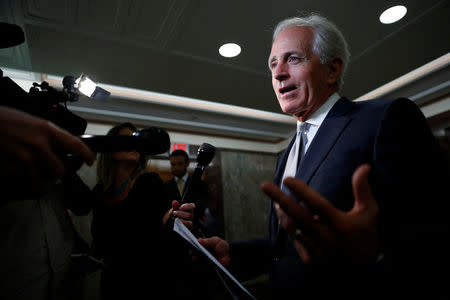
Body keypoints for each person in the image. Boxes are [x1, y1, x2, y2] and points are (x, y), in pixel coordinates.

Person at [199, 13, 449, 299]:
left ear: (332, 70)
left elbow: (435, 229)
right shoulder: (288, 151)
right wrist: (233, 252)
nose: (278, 72)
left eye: (293, 59)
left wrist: (375, 255)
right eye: (272, 63)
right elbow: (287, 245)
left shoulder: (385, 118)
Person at [89, 122, 198, 299]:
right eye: (128, 139)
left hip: (147, 280)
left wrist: (176, 217)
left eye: (137, 140)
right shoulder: (100, 191)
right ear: (111, 148)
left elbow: (165, 217)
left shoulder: (149, 182)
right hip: (113, 280)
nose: (135, 144)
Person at [0, 105, 96, 300]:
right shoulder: (10, 161)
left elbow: (82, 205)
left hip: (61, 273)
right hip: (16, 279)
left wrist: (62, 166)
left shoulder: (64, 169)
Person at [164, 149, 209, 235]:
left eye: (180, 164)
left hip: (194, 229)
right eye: (173, 164)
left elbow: (202, 206)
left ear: (187, 163)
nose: (176, 167)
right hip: (171, 231)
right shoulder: (165, 186)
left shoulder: (199, 184)